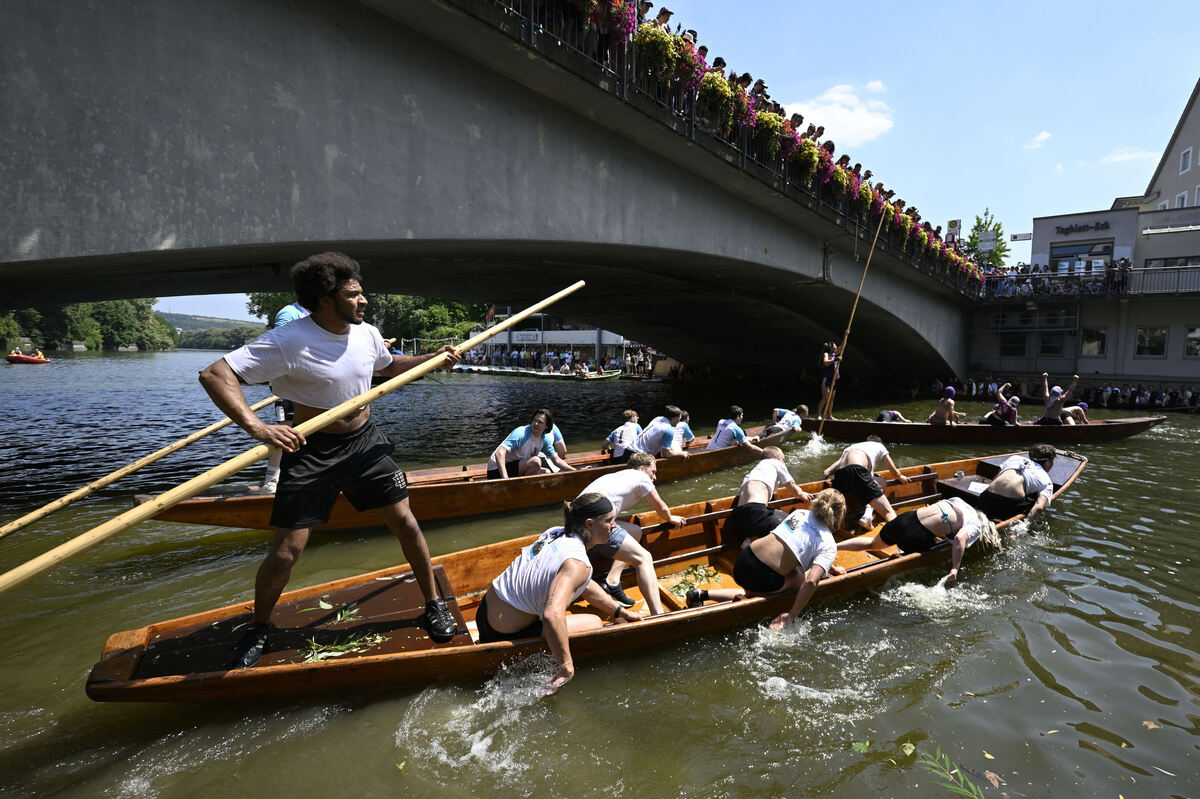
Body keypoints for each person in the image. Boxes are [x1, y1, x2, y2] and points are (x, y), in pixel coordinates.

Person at [197, 251, 461, 667]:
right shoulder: (289, 340)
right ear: (325, 299)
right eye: (354, 294)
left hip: (365, 442)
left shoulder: (367, 333)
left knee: (407, 524)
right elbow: (215, 374)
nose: (364, 301)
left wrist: (433, 359)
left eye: (362, 293)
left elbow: (390, 367)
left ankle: (434, 603)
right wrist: (258, 428)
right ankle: (261, 625)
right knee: (286, 551)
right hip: (312, 450)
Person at [477, 494, 644, 693]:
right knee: (593, 622)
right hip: (504, 633)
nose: (615, 525)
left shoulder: (555, 533)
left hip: (484, 614)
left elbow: (581, 584)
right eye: (609, 520)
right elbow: (551, 614)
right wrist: (566, 667)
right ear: (589, 524)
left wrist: (618, 610)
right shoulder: (578, 564)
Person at [686, 489, 847, 630]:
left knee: (753, 591)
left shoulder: (800, 513)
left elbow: (792, 541)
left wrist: (829, 566)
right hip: (762, 577)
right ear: (839, 515)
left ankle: (702, 594)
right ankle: (707, 595)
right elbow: (811, 582)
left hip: (743, 561)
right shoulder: (828, 543)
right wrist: (791, 615)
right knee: (802, 576)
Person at [583, 453, 686, 615]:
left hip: (581, 520)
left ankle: (612, 581)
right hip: (595, 524)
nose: (655, 477)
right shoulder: (641, 477)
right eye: (653, 472)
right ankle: (658, 615)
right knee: (644, 558)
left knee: (635, 531)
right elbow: (661, 509)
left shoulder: (620, 476)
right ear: (641, 468)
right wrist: (672, 518)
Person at [837, 499, 999, 583]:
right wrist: (955, 568)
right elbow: (959, 538)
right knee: (932, 545)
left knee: (872, 544)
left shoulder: (959, 502)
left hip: (905, 518)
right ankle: (900, 558)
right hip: (916, 534)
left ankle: (835, 546)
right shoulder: (976, 525)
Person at [260, 300, 312, 493]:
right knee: (286, 431)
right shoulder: (289, 313)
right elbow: (279, 347)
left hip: (314, 385)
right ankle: (272, 480)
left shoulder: (325, 313)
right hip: (291, 385)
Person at [821, 436, 911, 529]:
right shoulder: (879, 446)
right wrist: (899, 476)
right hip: (857, 471)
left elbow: (826, 472)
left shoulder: (850, 449)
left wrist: (820, 490)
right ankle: (898, 539)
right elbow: (891, 467)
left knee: (877, 483)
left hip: (840, 476)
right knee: (888, 512)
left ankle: (867, 515)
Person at [727, 447, 812, 543]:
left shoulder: (754, 472)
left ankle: (749, 541)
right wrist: (802, 494)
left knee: (786, 517)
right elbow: (796, 492)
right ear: (776, 457)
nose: (784, 462)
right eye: (783, 459)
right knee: (791, 532)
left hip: (739, 515)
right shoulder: (776, 463)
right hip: (756, 512)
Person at [974, 444, 1056, 522]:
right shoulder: (1047, 480)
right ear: (1048, 462)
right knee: (1034, 499)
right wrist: (1026, 523)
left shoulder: (1014, 458)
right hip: (1010, 503)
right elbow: (1039, 507)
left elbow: (996, 478)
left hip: (987, 496)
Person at [487, 409, 575, 479]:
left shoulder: (544, 440)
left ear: (546, 426)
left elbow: (556, 460)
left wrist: (575, 471)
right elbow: (499, 453)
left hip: (515, 468)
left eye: (540, 422)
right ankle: (518, 487)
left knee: (546, 473)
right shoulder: (521, 434)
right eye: (534, 420)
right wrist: (505, 479)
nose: (536, 424)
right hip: (496, 471)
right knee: (536, 461)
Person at [818, 342, 840, 419]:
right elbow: (825, 363)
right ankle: (818, 415)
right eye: (835, 345)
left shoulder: (835, 353)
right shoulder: (827, 354)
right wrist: (835, 359)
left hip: (834, 380)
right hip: (827, 379)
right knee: (825, 398)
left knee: (831, 399)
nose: (836, 346)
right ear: (831, 348)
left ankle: (829, 415)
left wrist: (846, 334)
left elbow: (843, 346)